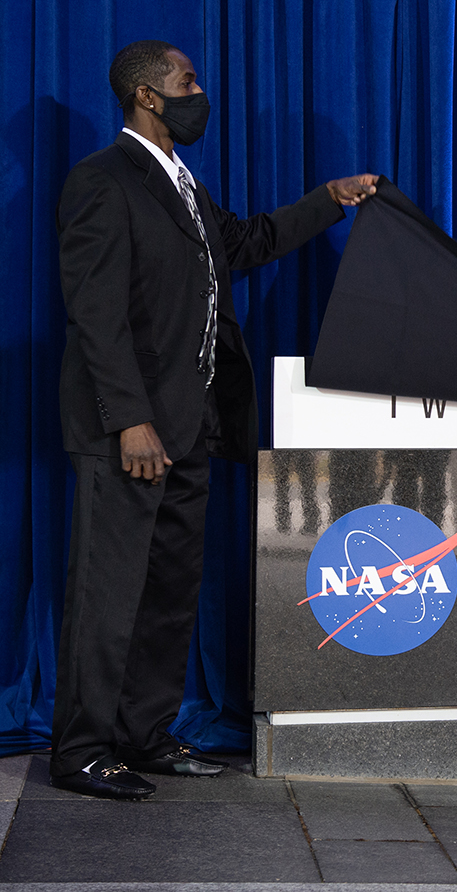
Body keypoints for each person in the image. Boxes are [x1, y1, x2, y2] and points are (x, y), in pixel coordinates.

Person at [52, 39, 378, 800]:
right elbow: (94, 317)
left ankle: (146, 734)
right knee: (108, 593)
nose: (201, 91)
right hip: (129, 433)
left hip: (190, 426)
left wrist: (328, 200)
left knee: (170, 590)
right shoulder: (102, 182)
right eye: (187, 81)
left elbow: (244, 244)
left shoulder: (186, 188)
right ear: (146, 96)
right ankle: (82, 751)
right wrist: (130, 420)